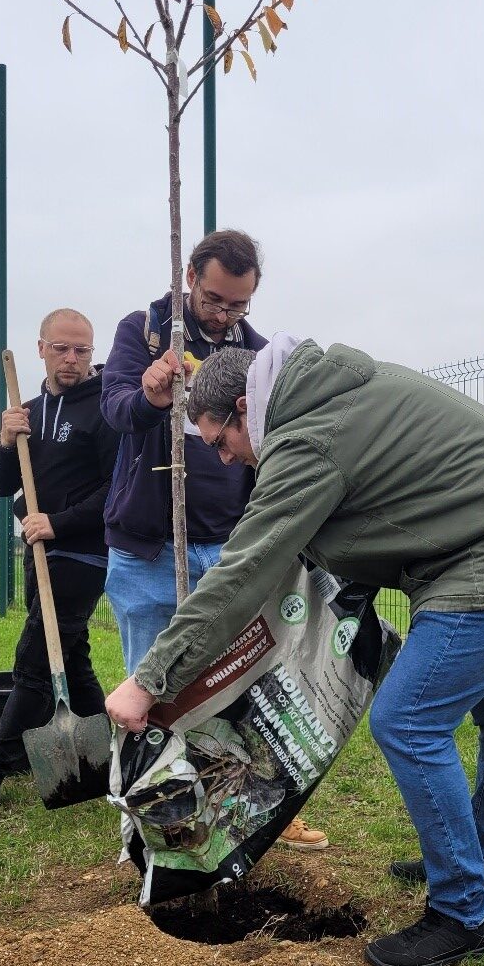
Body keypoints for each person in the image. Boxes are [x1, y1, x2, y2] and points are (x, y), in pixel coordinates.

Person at [105, 337, 484, 966]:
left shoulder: (306, 440)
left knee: (408, 722)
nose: (225, 459)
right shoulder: (335, 393)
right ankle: (477, 858)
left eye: (220, 441)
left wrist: (150, 679)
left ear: (243, 407)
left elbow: (242, 573)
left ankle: (463, 912)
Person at [99, 230, 328, 853]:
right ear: (191, 277)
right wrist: (149, 395)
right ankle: (147, 825)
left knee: (236, 687)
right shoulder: (145, 332)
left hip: (229, 546)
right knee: (146, 691)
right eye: (214, 299)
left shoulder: (258, 356)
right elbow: (114, 410)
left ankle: (243, 811)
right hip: (148, 548)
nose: (224, 314)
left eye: (238, 305)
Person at [0, 310, 119, 819]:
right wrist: (5, 440)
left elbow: (116, 490)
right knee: (73, 662)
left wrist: (57, 523)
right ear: (41, 348)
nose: (72, 359)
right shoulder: (29, 412)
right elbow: (3, 484)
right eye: (61, 348)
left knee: (33, 666)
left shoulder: (105, 409)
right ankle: (114, 761)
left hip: (82, 556)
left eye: (82, 350)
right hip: (38, 553)